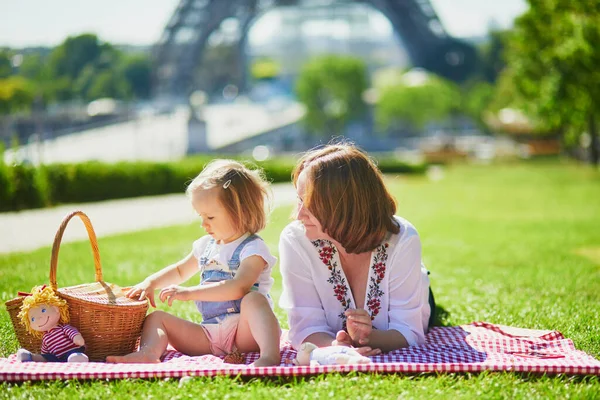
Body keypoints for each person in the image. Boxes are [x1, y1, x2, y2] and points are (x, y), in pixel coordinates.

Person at [107, 160, 281, 366]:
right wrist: (151, 283)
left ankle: (269, 355)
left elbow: (238, 287)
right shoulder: (206, 245)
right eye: (201, 216)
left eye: (210, 216)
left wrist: (189, 293)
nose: (203, 223)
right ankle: (148, 353)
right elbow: (180, 270)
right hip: (210, 335)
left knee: (254, 300)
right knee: (156, 318)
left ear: (240, 212)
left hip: (247, 333)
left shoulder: (253, 249)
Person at [279, 143, 435, 356]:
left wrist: (366, 338)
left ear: (344, 205)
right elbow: (305, 328)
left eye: (310, 203)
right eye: (299, 200)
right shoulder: (295, 239)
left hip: (416, 288)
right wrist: (340, 349)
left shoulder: (402, 238)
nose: (298, 214)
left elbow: (409, 333)